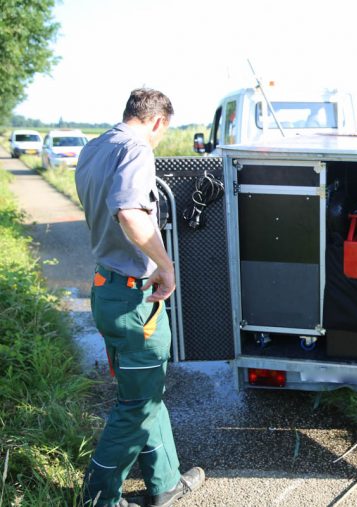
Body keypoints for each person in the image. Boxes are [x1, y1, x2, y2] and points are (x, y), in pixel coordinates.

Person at [75, 88, 205, 507]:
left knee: (146, 390)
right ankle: (99, 497)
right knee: (137, 403)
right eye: (162, 132)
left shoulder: (95, 148)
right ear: (157, 122)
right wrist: (166, 267)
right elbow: (131, 212)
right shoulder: (136, 150)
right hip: (136, 300)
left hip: (107, 287)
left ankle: (164, 482)